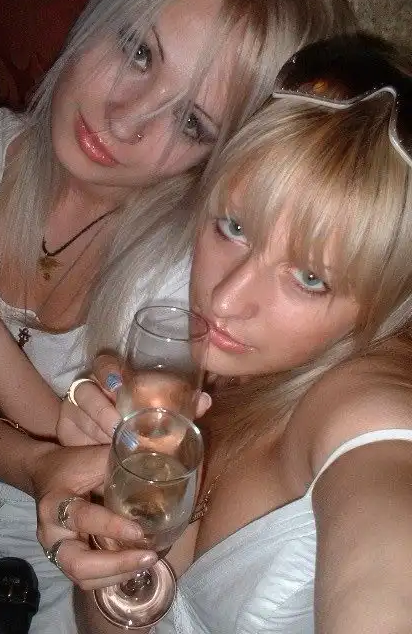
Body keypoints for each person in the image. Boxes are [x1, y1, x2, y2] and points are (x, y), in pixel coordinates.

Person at [0, 0, 356, 632]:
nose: (125, 118)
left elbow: (105, 473)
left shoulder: (194, 285)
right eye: (138, 51)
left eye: (191, 122)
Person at [73, 33, 412, 633]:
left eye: (310, 278)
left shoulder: (362, 410)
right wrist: (111, 509)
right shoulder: (213, 382)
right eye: (233, 227)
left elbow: (384, 559)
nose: (225, 299)